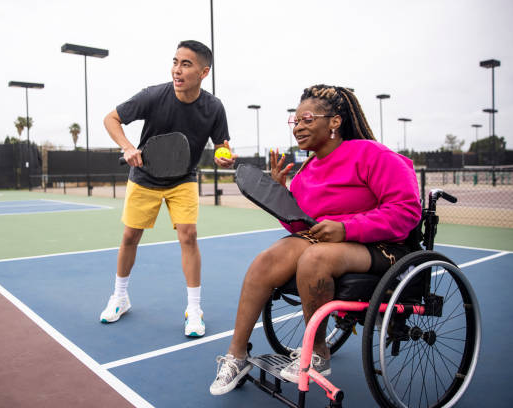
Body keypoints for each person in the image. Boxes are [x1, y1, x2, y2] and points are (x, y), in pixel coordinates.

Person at [209, 84, 422, 395]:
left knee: (315, 257)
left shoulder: (373, 155)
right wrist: (281, 196)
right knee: (268, 259)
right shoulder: (307, 169)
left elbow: (406, 211)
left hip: (382, 247)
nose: (298, 127)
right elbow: (301, 226)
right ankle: (237, 355)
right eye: (295, 122)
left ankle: (319, 354)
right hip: (332, 243)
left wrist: (346, 228)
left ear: (334, 122)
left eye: (307, 119)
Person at [100, 40, 236, 338]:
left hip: (183, 179)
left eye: (186, 64)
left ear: (204, 72)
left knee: (189, 236)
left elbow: (222, 146)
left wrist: (223, 156)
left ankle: (194, 309)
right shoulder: (153, 95)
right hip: (145, 177)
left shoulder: (213, 107)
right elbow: (110, 119)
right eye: (175, 62)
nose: (177, 69)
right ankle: (120, 297)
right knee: (130, 235)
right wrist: (127, 146)